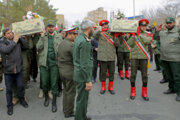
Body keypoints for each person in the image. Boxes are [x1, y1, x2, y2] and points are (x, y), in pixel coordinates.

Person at [0, 28, 29, 115]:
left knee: (21, 86)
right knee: (9, 90)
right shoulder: (2, 42)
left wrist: (20, 38)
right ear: (4, 35)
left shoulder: (17, 40)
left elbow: (26, 46)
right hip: (8, 70)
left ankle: (22, 100)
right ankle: (9, 106)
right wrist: (15, 41)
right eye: (8, 33)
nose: (10, 34)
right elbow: (6, 50)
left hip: (18, 69)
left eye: (11, 33)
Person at [36, 20, 63, 112]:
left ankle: (54, 103)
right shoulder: (44, 36)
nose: (50, 28)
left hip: (54, 64)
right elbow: (38, 47)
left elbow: (61, 49)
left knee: (54, 83)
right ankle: (46, 98)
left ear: (54, 27)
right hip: (44, 63)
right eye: (49, 26)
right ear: (47, 28)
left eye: (52, 26)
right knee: (44, 82)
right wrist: (42, 37)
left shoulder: (59, 36)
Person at [127, 19, 153, 101]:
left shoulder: (148, 34)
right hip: (134, 57)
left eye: (145, 26)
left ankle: (144, 92)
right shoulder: (134, 34)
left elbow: (147, 41)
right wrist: (133, 36)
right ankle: (132, 91)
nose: (144, 27)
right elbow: (129, 44)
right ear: (139, 26)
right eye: (142, 26)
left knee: (144, 75)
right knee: (133, 75)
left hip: (143, 57)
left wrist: (139, 35)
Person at [73, 20, 94, 120]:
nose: (94, 29)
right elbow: (84, 64)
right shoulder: (84, 42)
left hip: (79, 74)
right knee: (82, 100)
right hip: (83, 76)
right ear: (89, 28)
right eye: (93, 27)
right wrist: (88, 80)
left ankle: (82, 116)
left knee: (82, 99)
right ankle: (79, 118)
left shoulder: (79, 38)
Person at [57, 27, 77, 118]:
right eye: (74, 34)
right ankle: (69, 112)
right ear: (70, 35)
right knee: (71, 92)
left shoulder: (62, 43)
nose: (76, 36)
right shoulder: (70, 45)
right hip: (69, 72)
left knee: (66, 90)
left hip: (62, 70)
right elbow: (76, 59)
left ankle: (65, 109)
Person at [160, 17, 180, 102]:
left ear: (174, 23)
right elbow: (155, 38)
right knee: (169, 75)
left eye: (170, 23)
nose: (168, 24)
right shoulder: (163, 33)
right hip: (165, 58)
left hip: (175, 59)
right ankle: (171, 88)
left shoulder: (178, 32)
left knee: (177, 76)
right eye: (167, 23)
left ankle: (179, 92)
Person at [93, 20, 116, 95]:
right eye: (103, 25)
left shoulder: (112, 33)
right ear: (101, 26)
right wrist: (100, 29)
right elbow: (94, 35)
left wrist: (118, 35)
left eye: (106, 25)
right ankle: (103, 87)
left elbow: (117, 43)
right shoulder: (100, 34)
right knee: (103, 72)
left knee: (112, 72)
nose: (105, 26)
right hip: (103, 57)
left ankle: (110, 87)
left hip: (111, 56)